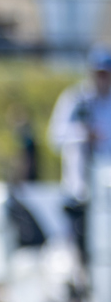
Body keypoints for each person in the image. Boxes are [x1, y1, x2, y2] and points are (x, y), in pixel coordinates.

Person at [48, 47, 111, 264]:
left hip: (106, 191)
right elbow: (55, 137)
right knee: (80, 250)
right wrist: (83, 134)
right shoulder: (76, 100)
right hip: (80, 190)